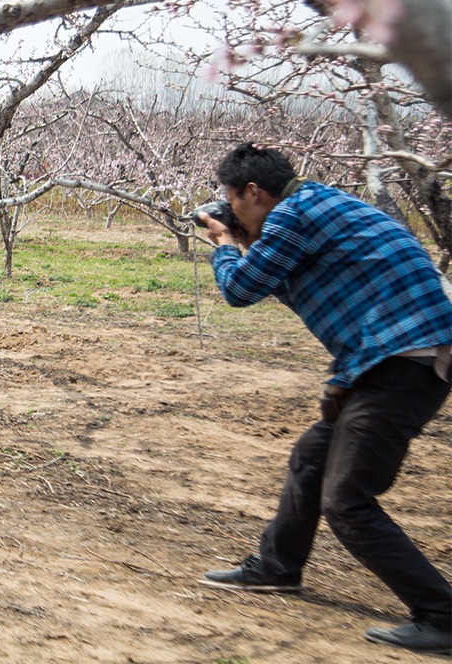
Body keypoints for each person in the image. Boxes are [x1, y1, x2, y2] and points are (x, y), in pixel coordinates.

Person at [195, 142, 452, 655]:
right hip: (389, 361)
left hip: (404, 362)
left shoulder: (294, 212)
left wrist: (225, 242)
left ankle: (443, 615)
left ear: (253, 191)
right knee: (311, 461)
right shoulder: (320, 206)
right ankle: (276, 568)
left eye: (234, 202)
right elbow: (293, 281)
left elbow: (241, 289)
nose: (234, 212)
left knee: (347, 499)